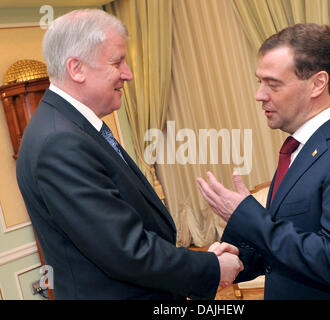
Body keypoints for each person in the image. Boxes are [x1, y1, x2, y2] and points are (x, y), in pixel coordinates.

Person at [16, 9, 243, 300]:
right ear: (76, 68)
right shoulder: (60, 141)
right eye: (117, 62)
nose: (129, 74)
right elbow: (125, 251)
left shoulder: (72, 127)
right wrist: (210, 268)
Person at [197, 23, 330, 299]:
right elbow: (293, 244)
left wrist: (247, 215)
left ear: (317, 84)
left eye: (272, 84)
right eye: (259, 81)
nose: (259, 95)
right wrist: (241, 257)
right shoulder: (298, 150)